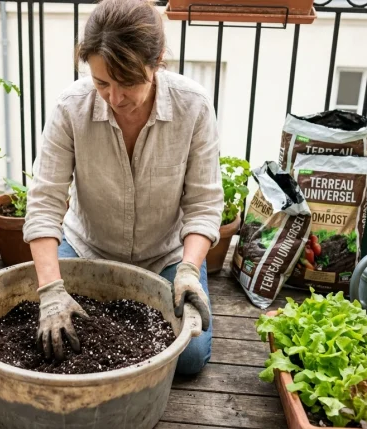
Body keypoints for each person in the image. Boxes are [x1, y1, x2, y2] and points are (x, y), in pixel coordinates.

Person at [22, 0, 223, 376]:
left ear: (157, 60)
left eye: (128, 82)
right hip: (88, 250)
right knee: (58, 345)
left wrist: (189, 269)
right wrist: (50, 291)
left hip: (165, 259)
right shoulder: (70, 109)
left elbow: (204, 204)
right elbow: (45, 203)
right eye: (101, 82)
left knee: (189, 358)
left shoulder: (192, 107)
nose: (114, 98)